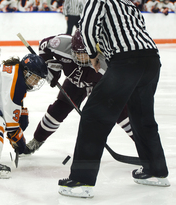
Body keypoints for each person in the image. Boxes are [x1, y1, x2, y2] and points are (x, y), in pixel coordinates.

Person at [58, 0, 170, 198]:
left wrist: (92, 54)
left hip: (126, 61)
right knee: (143, 118)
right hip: (151, 60)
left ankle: (81, 181)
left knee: (94, 117)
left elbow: (87, 27)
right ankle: (156, 171)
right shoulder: (128, 3)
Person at [24, 31, 134, 155]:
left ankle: (144, 146)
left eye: (85, 54)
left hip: (100, 85)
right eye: (77, 53)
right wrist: (50, 66)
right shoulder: (61, 44)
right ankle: (36, 141)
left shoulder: (106, 64)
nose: (81, 58)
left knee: (122, 113)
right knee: (57, 111)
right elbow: (44, 46)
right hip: (74, 83)